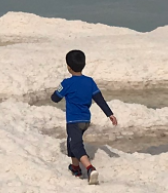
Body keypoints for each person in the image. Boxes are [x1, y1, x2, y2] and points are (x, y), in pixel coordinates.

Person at [50, 50, 118, 185]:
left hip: (73, 121)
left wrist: (59, 89)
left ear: (68, 66)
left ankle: (89, 168)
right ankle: (75, 168)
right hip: (85, 121)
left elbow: (55, 98)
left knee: (76, 145)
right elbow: (99, 99)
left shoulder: (67, 83)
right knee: (71, 142)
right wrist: (110, 114)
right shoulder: (89, 81)